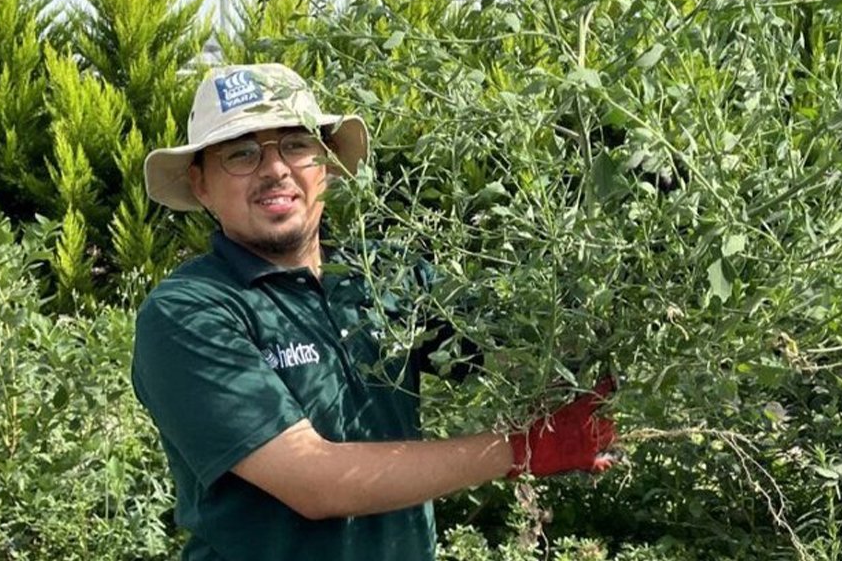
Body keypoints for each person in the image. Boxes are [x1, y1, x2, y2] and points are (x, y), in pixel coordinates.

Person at [132, 63, 618, 561]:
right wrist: (519, 449)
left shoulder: (386, 276)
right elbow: (313, 481)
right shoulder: (188, 311)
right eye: (241, 153)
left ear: (326, 163)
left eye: (296, 144)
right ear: (201, 185)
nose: (275, 169)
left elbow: (523, 358)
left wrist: (616, 229)